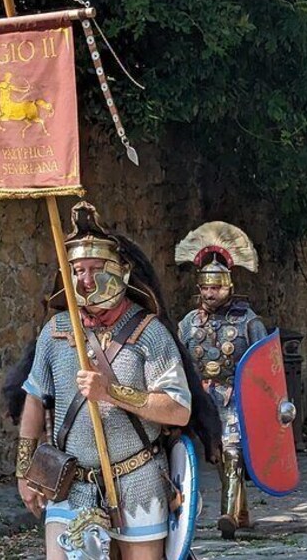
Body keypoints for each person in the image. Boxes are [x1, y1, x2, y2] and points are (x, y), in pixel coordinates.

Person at [16, 202, 199, 559]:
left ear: (121, 272)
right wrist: (24, 470)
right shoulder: (54, 333)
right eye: (77, 270)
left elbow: (178, 410)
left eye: (95, 269)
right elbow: (34, 400)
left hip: (138, 479)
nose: (85, 279)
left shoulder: (150, 334)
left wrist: (111, 392)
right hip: (70, 484)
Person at [175, 221, 266, 540]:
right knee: (215, 453)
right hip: (201, 399)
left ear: (228, 286)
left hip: (234, 398)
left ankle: (227, 513)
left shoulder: (248, 321)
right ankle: (241, 511)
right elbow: (178, 362)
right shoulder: (188, 324)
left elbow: (265, 364)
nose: (210, 293)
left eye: (215, 287)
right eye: (205, 288)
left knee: (231, 451)